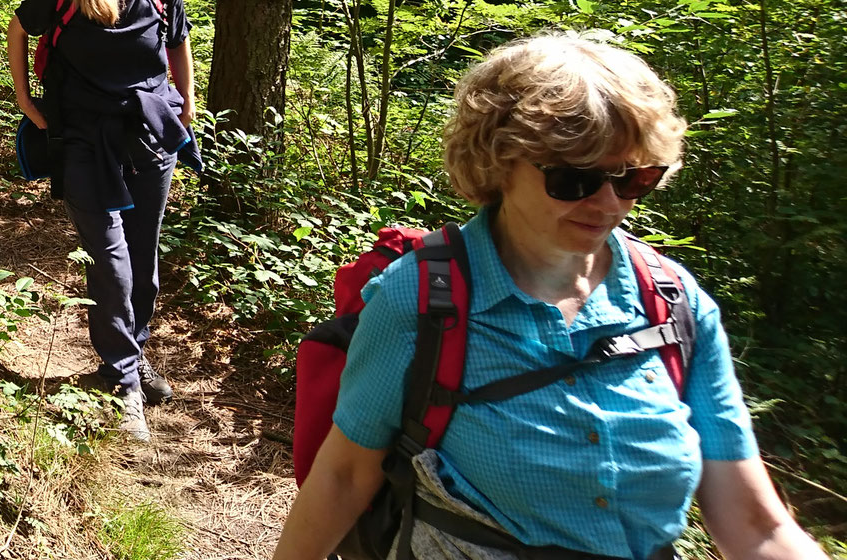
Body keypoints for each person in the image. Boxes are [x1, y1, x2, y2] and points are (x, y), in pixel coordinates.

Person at [277, 35, 826, 560]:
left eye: (634, 178)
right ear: (497, 163)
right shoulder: (419, 300)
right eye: (574, 179)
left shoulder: (676, 303)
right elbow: (346, 475)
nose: (608, 203)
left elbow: (756, 527)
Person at [7, 0, 196, 441]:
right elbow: (19, 29)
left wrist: (186, 108)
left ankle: (129, 357)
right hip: (83, 137)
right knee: (111, 261)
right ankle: (124, 383)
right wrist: (26, 101)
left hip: (150, 132)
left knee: (145, 261)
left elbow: (178, 44)